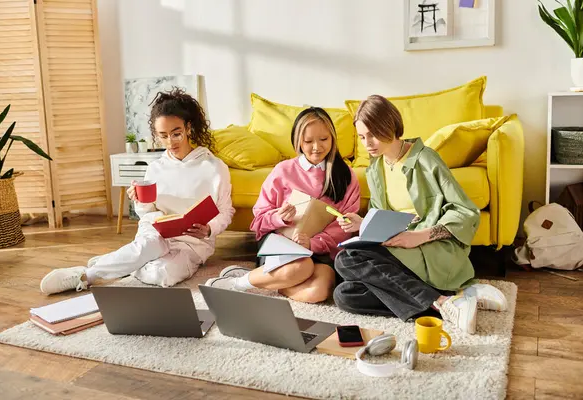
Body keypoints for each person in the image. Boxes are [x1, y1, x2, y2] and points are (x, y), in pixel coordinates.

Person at [333, 95, 507, 335]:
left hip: (428, 246)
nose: (367, 143)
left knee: (345, 260)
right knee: (345, 295)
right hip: (395, 247)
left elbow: (466, 212)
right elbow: (383, 215)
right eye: (362, 137)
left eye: (372, 134)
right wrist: (362, 223)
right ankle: (450, 301)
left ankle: (444, 301)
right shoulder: (376, 168)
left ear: (390, 126)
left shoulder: (426, 160)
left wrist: (421, 236)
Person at [40, 88, 234, 294]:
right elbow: (146, 213)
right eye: (163, 136)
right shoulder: (155, 168)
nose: (170, 142)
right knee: (148, 246)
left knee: (163, 275)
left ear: (188, 127)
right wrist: (139, 200)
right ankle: (85, 276)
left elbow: (226, 211)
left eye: (176, 133)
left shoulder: (214, 167)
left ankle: (119, 262)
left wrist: (209, 229)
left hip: (193, 242)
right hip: (156, 234)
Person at [206, 107, 361, 303]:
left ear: (333, 139)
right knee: (301, 267)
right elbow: (258, 221)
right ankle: (238, 284)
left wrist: (312, 243)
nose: (316, 147)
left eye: (324, 139)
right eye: (308, 141)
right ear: (297, 141)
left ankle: (266, 280)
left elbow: (344, 226)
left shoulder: (346, 175)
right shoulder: (283, 171)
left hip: (321, 251)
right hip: (283, 246)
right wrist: (279, 217)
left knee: (319, 292)